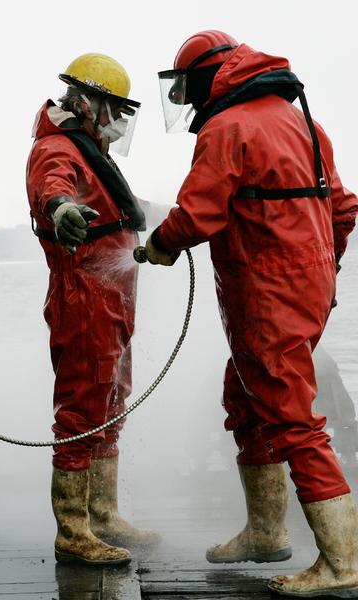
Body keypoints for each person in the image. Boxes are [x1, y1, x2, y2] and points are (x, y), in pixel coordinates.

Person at [144, 30, 358, 597]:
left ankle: (342, 563)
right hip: (307, 286)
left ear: (211, 77)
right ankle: (266, 532)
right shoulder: (305, 123)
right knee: (246, 394)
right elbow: (343, 208)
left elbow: (198, 213)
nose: (186, 100)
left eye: (187, 86)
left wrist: (161, 244)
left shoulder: (227, 127)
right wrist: (322, 268)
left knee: (292, 417)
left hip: (267, 291)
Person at [26, 53, 160, 566]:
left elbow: (115, 207)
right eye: (114, 110)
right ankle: (73, 530)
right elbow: (50, 186)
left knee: (110, 402)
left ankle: (103, 516)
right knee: (82, 411)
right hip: (84, 297)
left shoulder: (93, 153)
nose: (119, 122)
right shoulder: (58, 148)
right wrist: (60, 208)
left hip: (113, 298)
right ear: (87, 103)